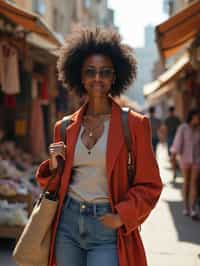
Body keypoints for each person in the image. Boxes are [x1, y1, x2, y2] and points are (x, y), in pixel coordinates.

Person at [36, 27, 162, 266]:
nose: (97, 78)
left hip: (107, 226)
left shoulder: (134, 125)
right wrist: (54, 165)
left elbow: (150, 184)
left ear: (115, 77)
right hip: (67, 224)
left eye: (105, 72)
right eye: (90, 72)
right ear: (80, 77)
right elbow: (53, 184)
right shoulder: (63, 127)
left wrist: (121, 216)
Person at [170, 108, 200, 220]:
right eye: (197, 116)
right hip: (185, 159)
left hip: (197, 160)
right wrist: (173, 156)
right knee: (186, 182)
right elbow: (177, 143)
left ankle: (192, 209)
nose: (199, 119)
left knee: (194, 183)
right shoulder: (183, 128)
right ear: (192, 117)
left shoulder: (199, 129)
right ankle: (186, 206)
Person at [165, 106, 181, 182]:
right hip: (175, 138)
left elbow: (165, 129)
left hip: (170, 139)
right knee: (174, 156)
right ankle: (175, 171)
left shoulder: (167, 119)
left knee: (172, 157)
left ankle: (174, 171)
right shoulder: (176, 119)